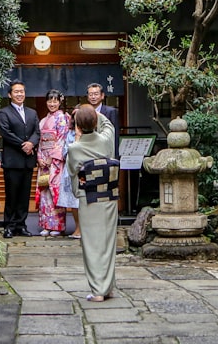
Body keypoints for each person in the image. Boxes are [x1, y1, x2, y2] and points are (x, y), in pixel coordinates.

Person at [66, 104, 119, 302]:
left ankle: (98, 290)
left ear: (77, 126)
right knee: (108, 241)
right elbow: (109, 125)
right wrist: (94, 113)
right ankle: (108, 287)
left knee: (92, 244)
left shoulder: (75, 148)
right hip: (109, 197)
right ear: (95, 122)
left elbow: (72, 172)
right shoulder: (106, 141)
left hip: (89, 199)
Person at [0, 80, 40, 238]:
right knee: (12, 195)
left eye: (22, 91)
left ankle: (21, 225)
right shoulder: (4, 112)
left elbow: (37, 132)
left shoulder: (32, 112)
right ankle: (8, 226)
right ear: (10, 95)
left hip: (28, 161)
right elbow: (6, 133)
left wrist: (32, 143)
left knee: (24, 196)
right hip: (13, 160)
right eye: (16, 91)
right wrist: (24, 145)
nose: (19, 94)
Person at [36, 89, 71, 236]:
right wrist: (40, 157)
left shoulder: (62, 118)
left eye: (55, 101)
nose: (52, 104)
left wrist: (51, 158)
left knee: (55, 190)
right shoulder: (44, 119)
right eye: (50, 101)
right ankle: (46, 224)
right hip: (44, 159)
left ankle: (57, 226)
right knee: (44, 192)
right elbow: (40, 141)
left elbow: (62, 140)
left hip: (55, 161)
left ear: (60, 102)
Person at [56, 102, 82, 238]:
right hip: (70, 168)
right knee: (73, 202)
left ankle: (85, 228)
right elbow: (65, 150)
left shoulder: (91, 132)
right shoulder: (70, 132)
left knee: (83, 201)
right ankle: (77, 227)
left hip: (84, 169)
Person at [86, 82, 120, 159]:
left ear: (102, 96)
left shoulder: (111, 112)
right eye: (90, 94)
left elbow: (115, 135)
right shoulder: (85, 112)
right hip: (90, 152)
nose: (93, 97)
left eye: (96, 94)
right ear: (88, 97)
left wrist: (115, 157)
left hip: (106, 152)